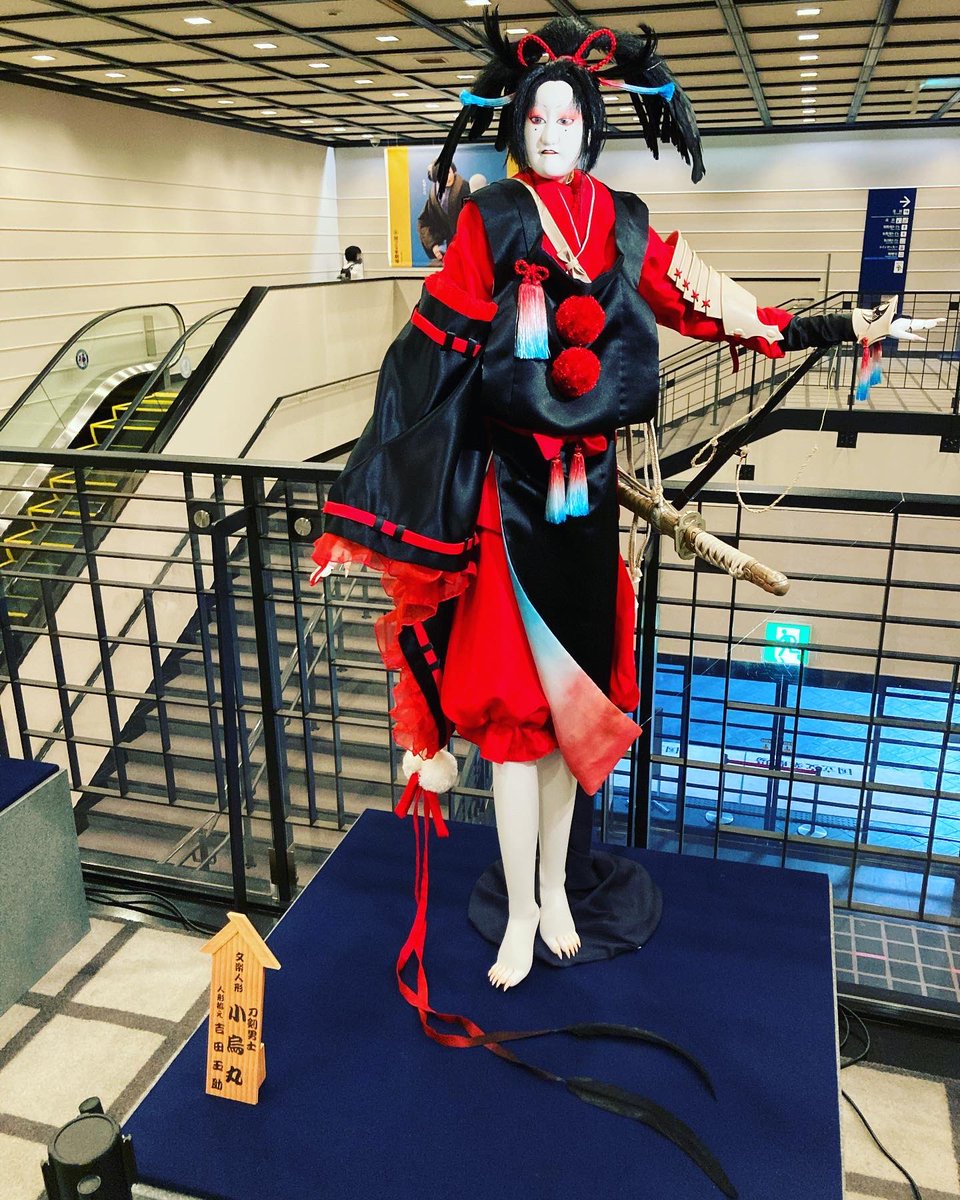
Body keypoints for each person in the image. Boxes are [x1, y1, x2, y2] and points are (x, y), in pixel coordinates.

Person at [313, 14, 941, 991]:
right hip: (510, 508)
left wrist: (833, 325)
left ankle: (554, 890)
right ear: (517, 124)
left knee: (571, 719)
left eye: (568, 115)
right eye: (537, 115)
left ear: (591, 125)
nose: (552, 130)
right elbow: (427, 350)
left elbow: (709, 304)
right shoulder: (491, 220)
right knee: (514, 732)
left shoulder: (624, 222)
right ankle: (522, 913)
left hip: (589, 507)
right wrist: (379, 488)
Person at [417, 160, 470, 261]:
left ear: (453, 170)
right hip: (445, 249)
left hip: (466, 246)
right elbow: (423, 222)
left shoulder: (465, 188)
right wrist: (433, 244)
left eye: (448, 172)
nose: (446, 178)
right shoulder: (433, 195)